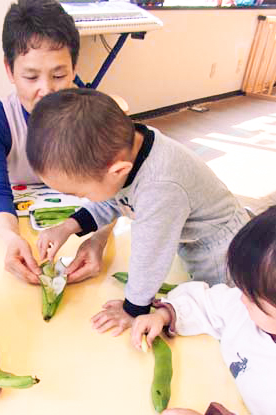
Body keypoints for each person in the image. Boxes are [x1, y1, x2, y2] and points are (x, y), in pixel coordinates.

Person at [26, 88, 250, 334]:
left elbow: (150, 254)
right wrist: (68, 226)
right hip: (193, 238)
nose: (83, 198)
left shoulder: (159, 187)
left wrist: (132, 309)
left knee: (219, 314)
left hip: (220, 251)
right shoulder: (128, 148)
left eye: (82, 194)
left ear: (118, 171)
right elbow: (114, 198)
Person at [130, 206, 276, 415]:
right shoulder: (248, 308)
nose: (241, 300)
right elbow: (213, 303)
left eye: (252, 299)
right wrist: (166, 315)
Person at [0, 0, 112, 285]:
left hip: (84, 225)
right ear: (9, 70)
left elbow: (113, 192)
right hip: (18, 224)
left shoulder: (95, 116)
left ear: (74, 68)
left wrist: (98, 241)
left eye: (59, 75)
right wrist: (12, 239)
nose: (46, 90)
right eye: (31, 76)